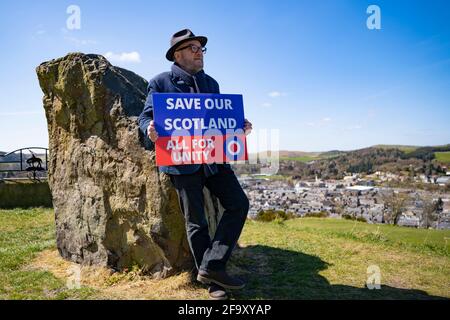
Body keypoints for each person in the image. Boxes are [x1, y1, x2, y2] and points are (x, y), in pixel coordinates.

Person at [138, 29, 253, 300]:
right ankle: (213, 282)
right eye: (192, 47)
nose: (199, 51)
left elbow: (218, 119)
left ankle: (212, 266)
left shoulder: (211, 83)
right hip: (182, 161)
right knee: (196, 221)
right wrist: (150, 129)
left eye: (200, 47)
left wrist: (239, 127)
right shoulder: (160, 82)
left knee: (239, 203)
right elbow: (145, 118)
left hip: (213, 159)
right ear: (178, 55)